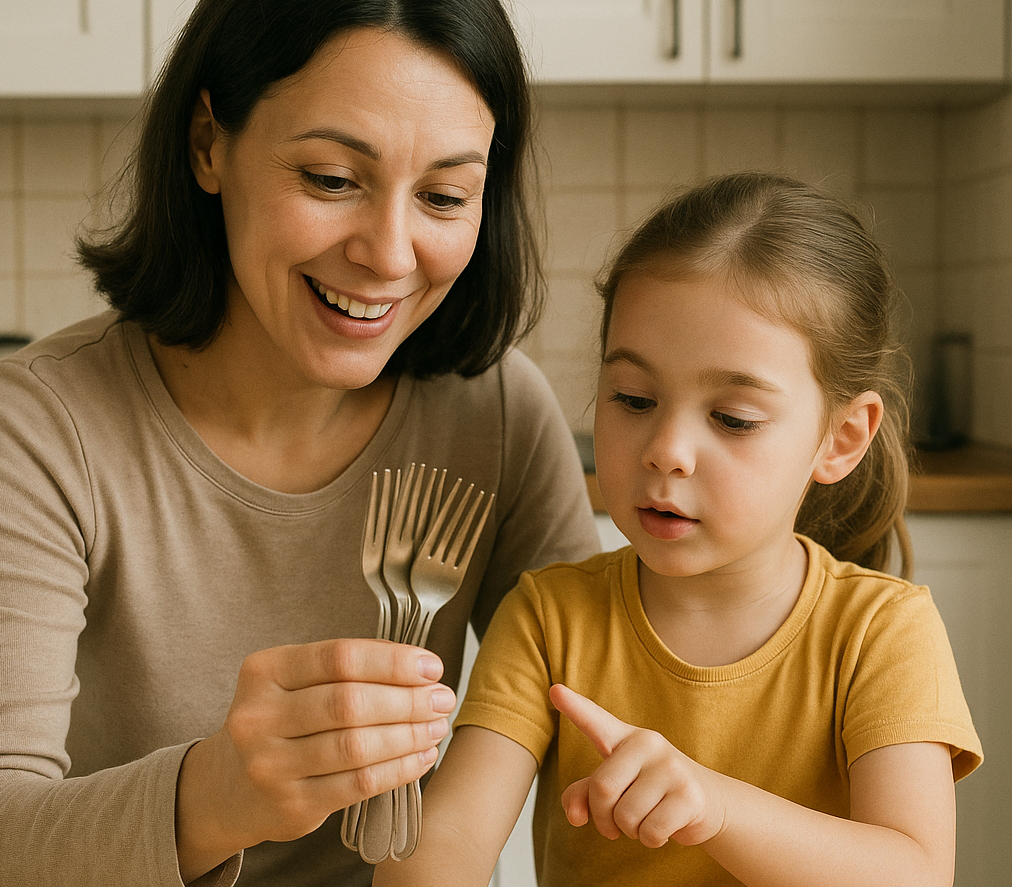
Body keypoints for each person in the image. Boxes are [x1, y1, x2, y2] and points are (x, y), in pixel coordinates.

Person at [0, 1, 601, 885]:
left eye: (443, 196)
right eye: (330, 178)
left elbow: (584, 718)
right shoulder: (45, 428)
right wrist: (213, 793)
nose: (390, 254)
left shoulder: (497, 412)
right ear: (208, 144)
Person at [373, 172, 983, 887]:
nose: (667, 449)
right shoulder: (547, 618)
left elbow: (914, 873)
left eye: (732, 418)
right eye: (633, 398)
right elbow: (446, 844)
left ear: (841, 438)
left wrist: (714, 804)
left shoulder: (884, 633)